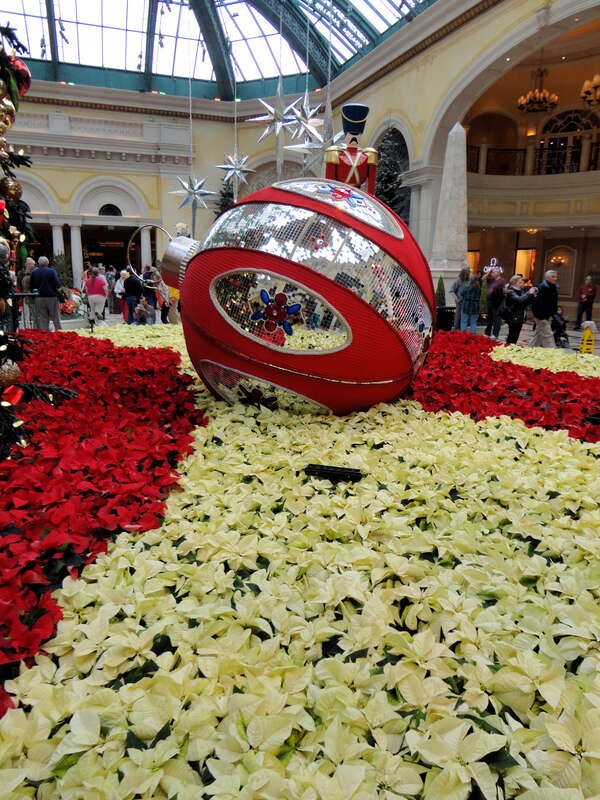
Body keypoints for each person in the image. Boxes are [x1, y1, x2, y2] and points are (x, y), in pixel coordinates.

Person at [324, 102, 378, 194]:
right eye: (351, 134)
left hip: (359, 196)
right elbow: (329, 183)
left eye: (358, 135)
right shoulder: (335, 153)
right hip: (339, 195)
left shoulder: (368, 155)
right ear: (345, 135)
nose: (354, 138)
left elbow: (371, 189)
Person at [30, 255, 62, 331]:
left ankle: (45, 335)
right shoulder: (51, 271)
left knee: (43, 319)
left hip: (39, 297)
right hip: (51, 297)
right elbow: (58, 284)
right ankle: (59, 333)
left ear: (38, 264)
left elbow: (31, 286)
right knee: (56, 317)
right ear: (47, 263)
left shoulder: (34, 273)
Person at [504, 275, 536, 345]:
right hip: (513, 317)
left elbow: (526, 302)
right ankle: (508, 350)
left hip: (520, 317)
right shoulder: (511, 291)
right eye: (520, 282)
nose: (523, 283)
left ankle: (512, 349)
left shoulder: (521, 291)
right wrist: (529, 293)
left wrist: (533, 295)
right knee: (512, 336)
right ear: (515, 283)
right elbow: (520, 300)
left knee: (516, 336)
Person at [530, 269, 558, 348]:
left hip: (547, 315)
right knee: (548, 335)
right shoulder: (542, 287)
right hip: (542, 316)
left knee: (538, 336)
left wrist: (553, 314)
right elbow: (538, 304)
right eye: (553, 277)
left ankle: (530, 349)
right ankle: (553, 353)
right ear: (547, 278)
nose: (555, 278)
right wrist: (542, 317)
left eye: (556, 277)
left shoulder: (553, 287)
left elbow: (553, 303)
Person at [484, 267, 506, 339]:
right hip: (489, 300)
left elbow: (502, 291)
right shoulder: (491, 280)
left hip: (497, 301)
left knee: (496, 318)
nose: (492, 274)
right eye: (492, 272)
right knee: (489, 317)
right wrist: (489, 272)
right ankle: (487, 332)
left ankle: (495, 334)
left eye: (494, 272)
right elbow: (483, 278)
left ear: (498, 273)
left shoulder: (502, 280)